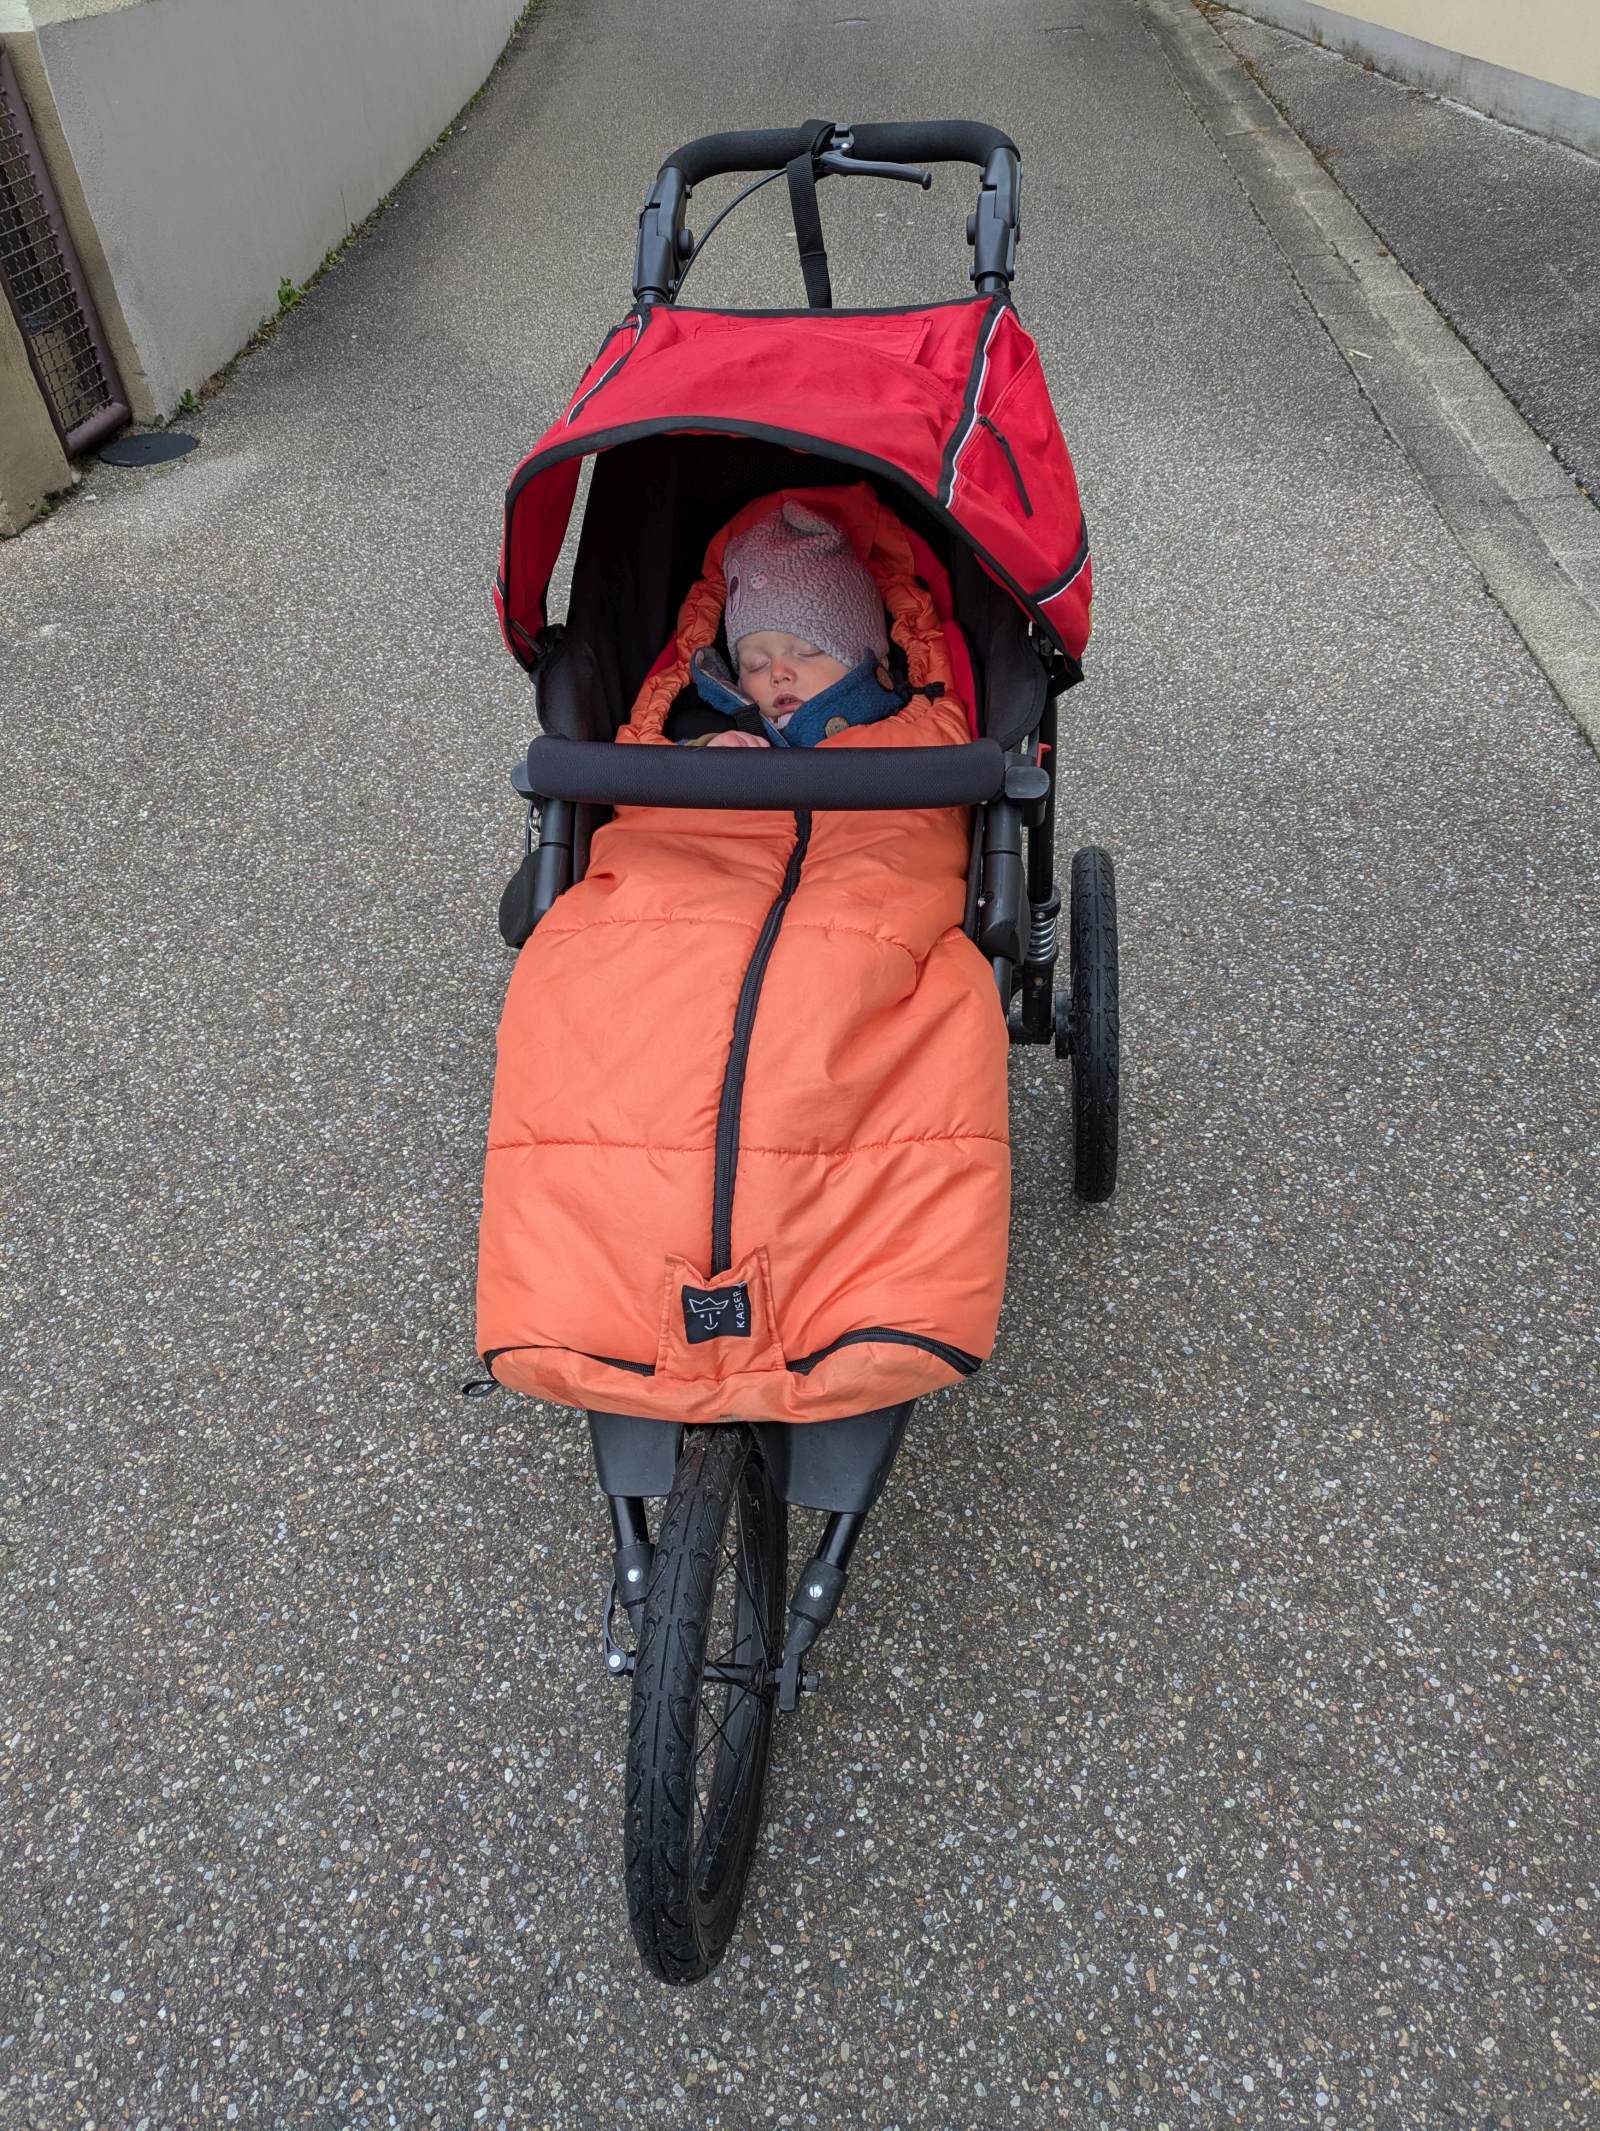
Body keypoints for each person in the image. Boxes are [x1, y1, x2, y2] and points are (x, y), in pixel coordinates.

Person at [674, 498, 907, 748]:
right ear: (739, 682)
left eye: (808, 651)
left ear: (877, 662)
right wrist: (711, 751)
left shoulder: (908, 726)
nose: (778, 674)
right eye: (756, 665)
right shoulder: (720, 729)